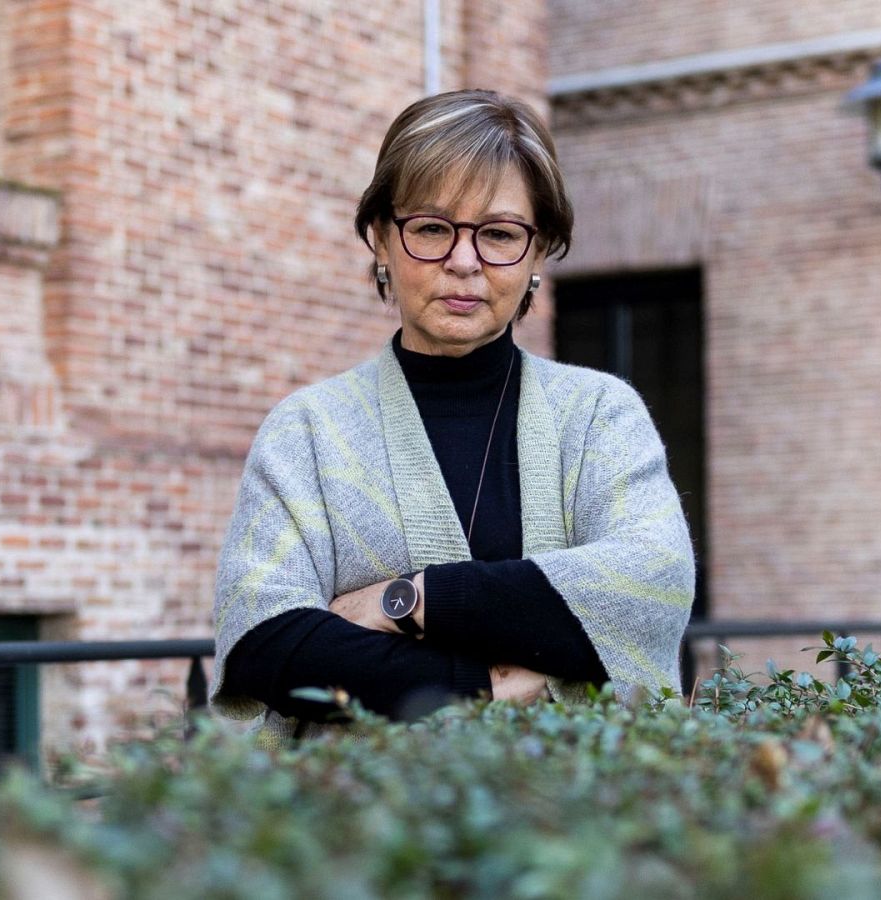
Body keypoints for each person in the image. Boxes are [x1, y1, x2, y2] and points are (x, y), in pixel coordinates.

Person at [209, 89, 694, 743]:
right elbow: (264, 641)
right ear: (381, 237)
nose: (464, 262)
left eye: (498, 234)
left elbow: (651, 582)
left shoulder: (600, 416)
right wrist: (486, 687)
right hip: (353, 828)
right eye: (432, 228)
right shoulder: (308, 432)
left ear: (538, 251)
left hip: (575, 825)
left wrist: (408, 601)